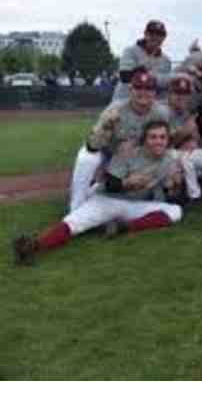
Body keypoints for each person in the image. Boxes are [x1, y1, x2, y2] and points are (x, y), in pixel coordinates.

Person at [12, 120, 185, 266]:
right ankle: (34, 245)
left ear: (168, 140)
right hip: (108, 199)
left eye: (162, 137)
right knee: (74, 223)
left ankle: (122, 227)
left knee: (175, 210)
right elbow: (108, 183)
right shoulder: (129, 153)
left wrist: (174, 186)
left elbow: (171, 193)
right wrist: (126, 183)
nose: (158, 141)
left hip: (135, 206)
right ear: (145, 140)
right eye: (153, 137)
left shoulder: (169, 160)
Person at [69, 68, 169, 213]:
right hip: (108, 154)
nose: (143, 93)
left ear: (155, 93)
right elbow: (92, 146)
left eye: (148, 89)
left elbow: (164, 144)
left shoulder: (160, 113)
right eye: (138, 88)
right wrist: (106, 126)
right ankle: (76, 207)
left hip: (137, 160)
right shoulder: (115, 109)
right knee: (86, 158)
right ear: (130, 90)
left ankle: (101, 190)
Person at [112, 20, 172, 102]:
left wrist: (143, 73)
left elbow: (165, 87)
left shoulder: (166, 61)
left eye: (159, 34)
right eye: (151, 33)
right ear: (145, 34)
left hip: (149, 105)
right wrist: (158, 79)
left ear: (164, 38)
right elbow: (125, 76)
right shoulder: (130, 51)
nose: (155, 37)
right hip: (124, 100)